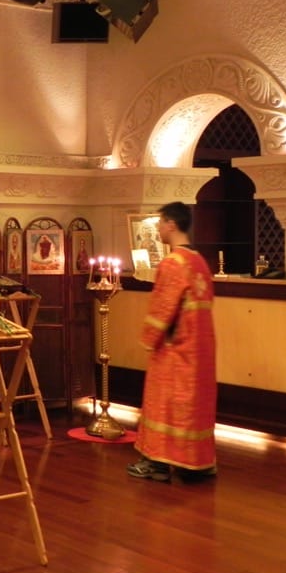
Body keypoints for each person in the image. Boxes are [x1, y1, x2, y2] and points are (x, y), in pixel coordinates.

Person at [127, 201, 217, 482]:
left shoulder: (172, 262)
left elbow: (163, 307)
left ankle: (157, 463)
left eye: (160, 223)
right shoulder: (200, 261)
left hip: (175, 348)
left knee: (164, 404)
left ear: (171, 224)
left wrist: (149, 338)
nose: (158, 229)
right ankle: (197, 463)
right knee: (193, 406)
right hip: (201, 348)